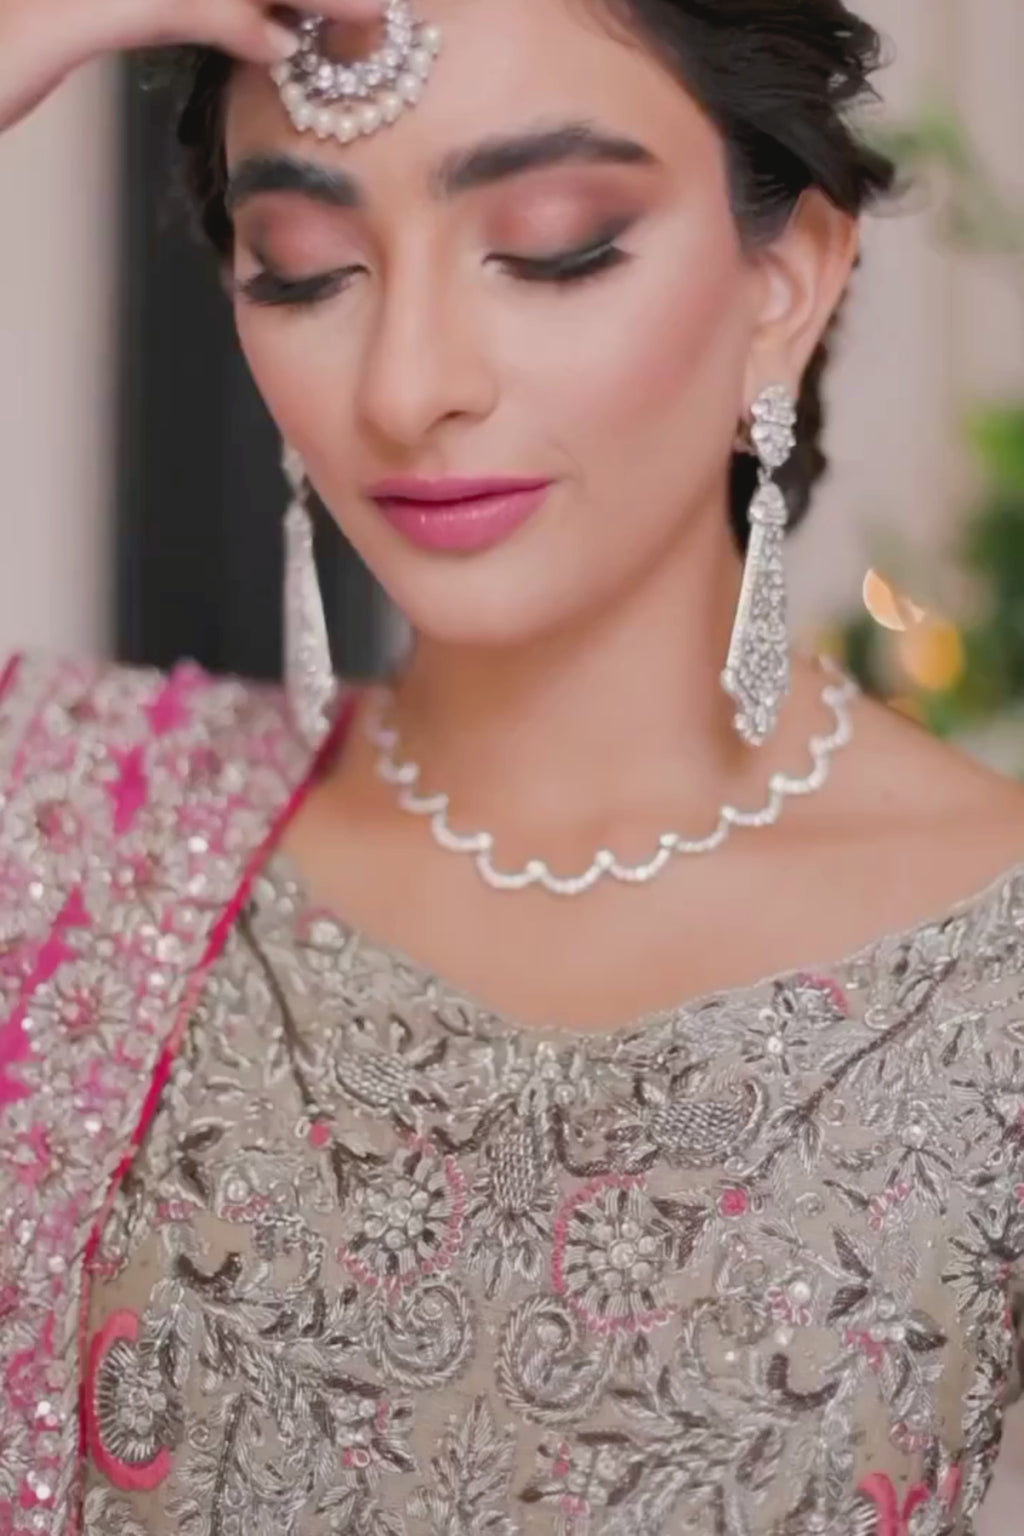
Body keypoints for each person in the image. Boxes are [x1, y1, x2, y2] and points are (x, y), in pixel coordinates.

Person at [2, 0, 1024, 1530]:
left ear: (785, 278)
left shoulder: (993, 967)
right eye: (307, 269)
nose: (409, 386)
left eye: (552, 246)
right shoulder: (61, 819)